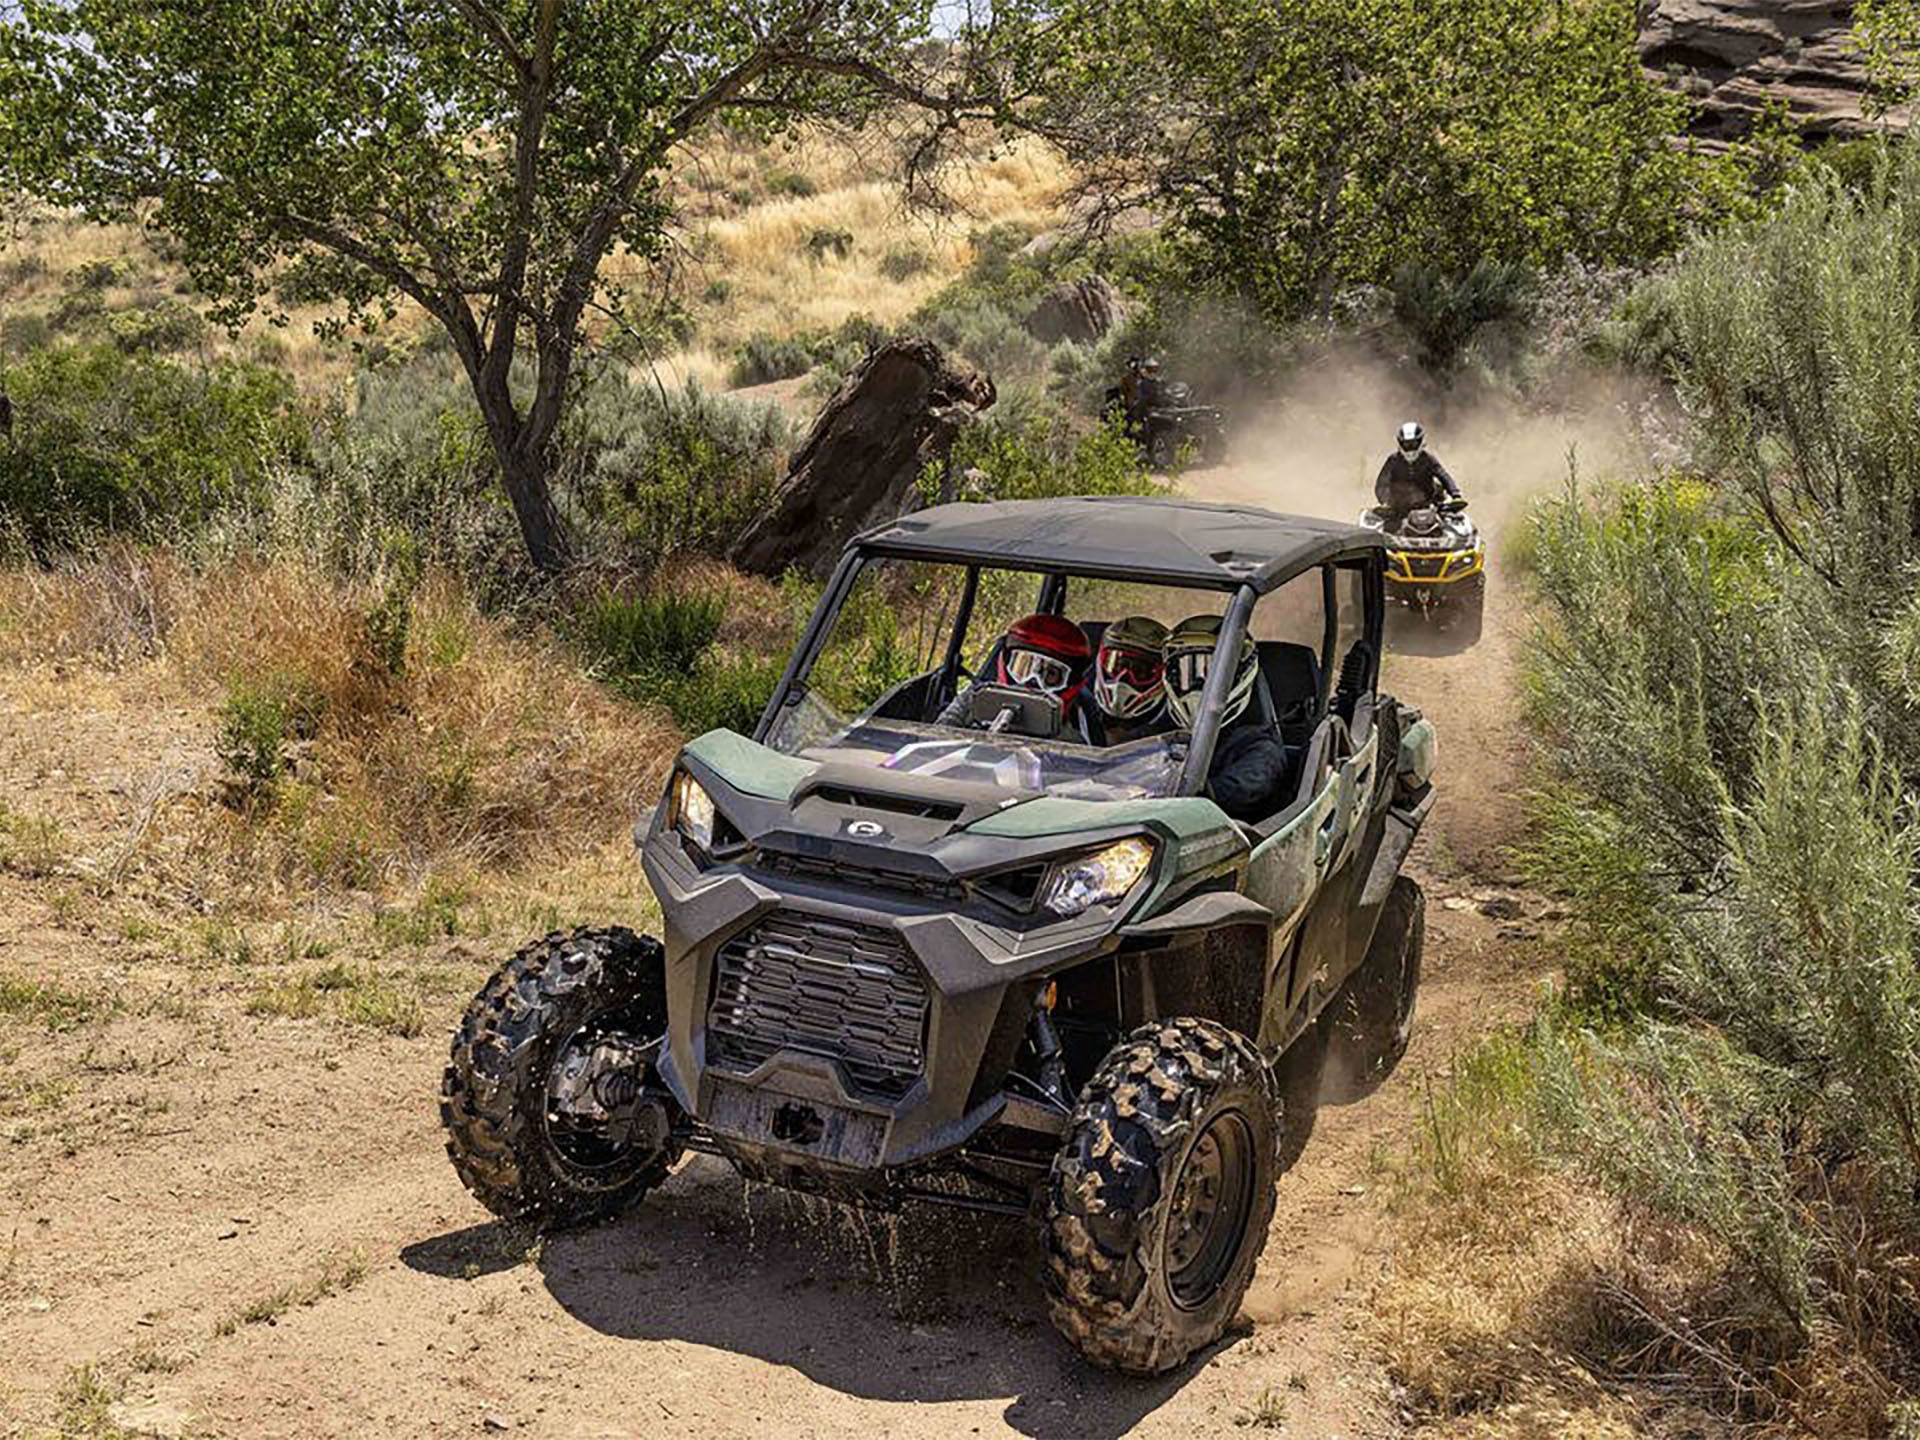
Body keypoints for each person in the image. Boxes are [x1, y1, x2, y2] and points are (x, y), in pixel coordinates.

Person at [1164, 614, 1292, 821]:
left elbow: (1241, 789)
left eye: (1211, 674)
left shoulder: (1260, 748)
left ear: (1239, 674)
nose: (1199, 685)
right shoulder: (1164, 732)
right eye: (1188, 672)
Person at [936, 612, 1101, 742]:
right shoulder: (976, 698)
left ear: (1070, 683)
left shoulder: (1074, 735)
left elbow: (1080, 772)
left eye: (1050, 674)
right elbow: (937, 738)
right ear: (1006, 663)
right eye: (1023, 666)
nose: (1031, 681)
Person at [1091, 615, 1170, 744]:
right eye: (1118, 666)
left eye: (1140, 671)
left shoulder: (1172, 726)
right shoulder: (1080, 708)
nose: (1122, 680)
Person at [1374, 421, 1462, 520]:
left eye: (1413, 443)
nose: (1410, 448)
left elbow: (1444, 476)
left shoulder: (1428, 459)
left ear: (1420, 441)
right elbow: (1381, 483)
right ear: (1400, 443)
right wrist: (1385, 502)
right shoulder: (1393, 460)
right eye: (1406, 444)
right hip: (1398, 508)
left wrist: (1455, 495)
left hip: (1428, 506)